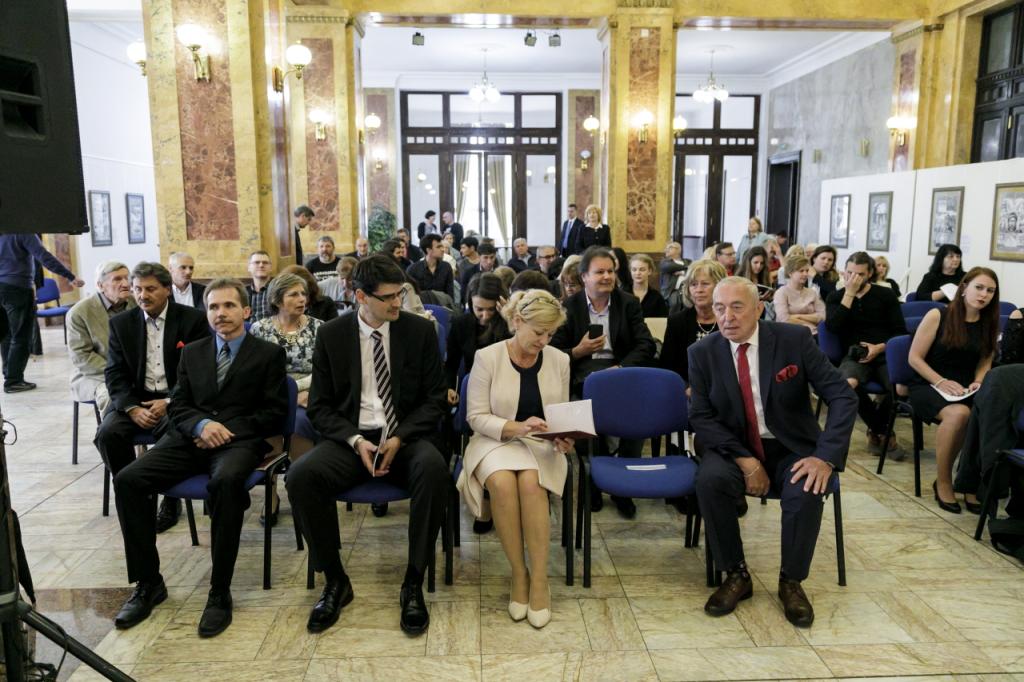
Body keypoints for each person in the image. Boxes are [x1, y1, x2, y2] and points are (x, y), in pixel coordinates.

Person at [112, 279, 288, 637]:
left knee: (225, 483)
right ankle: (149, 583)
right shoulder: (192, 352)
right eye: (213, 307)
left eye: (228, 306)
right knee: (128, 480)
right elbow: (178, 404)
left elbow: (273, 413)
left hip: (238, 442)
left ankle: (219, 592)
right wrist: (201, 425)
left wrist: (222, 429)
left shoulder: (268, 354)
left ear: (246, 311)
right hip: (189, 438)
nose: (220, 313)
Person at [286, 255, 448, 636]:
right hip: (351, 439)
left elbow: (435, 399)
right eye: (388, 297)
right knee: (301, 476)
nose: (397, 303)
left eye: (400, 294)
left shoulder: (419, 331)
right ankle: (335, 580)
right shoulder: (332, 335)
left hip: (405, 436)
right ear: (360, 296)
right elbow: (320, 406)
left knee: (434, 469)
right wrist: (355, 439)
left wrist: (400, 437)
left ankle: (413, 580)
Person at [690, 276, 857, 627]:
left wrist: (824, 457)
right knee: (709, 480)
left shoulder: (793, 340)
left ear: (759, 309)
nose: (727, 317)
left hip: (790, 444)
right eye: (719, 308)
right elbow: (702, 417)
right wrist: (746, 461)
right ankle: (736, 574)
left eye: (737, 307)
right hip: (734, 446)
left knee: (806, 487)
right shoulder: (702, 352)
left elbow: (843, 396)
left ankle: (791, 581)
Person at [457, 289, 572, 629]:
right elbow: (476, 417)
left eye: (550, 334)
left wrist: (564, 435)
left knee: (532, 485)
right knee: (503, 483)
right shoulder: (487, 357)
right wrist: (517, 427)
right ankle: (519, 574)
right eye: (539, 332)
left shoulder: (559, 360)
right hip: (495, 440)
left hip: (540, 444)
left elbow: (561, 413)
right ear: (517, 321)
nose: (544, 341)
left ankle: (539, 579)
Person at [96, 263, 209, 534]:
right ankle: (134, 495)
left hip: (177, 399)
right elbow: (114, 373)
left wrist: (170, 402)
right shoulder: (121, 323)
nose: (142, 295)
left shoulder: (193, 320)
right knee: (108, 434)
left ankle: (169, 497)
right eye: (137, 289)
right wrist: (131, 408)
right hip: (136, 400)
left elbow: (199, 372)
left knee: (176, 432)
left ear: (167, 289)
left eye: (150, 289)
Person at [552, 246, 656, 517]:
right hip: (583, 375)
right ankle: (594, 484)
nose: (607, 277)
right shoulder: (569, 307)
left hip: (620, 372)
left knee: (637, 416)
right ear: (584, 276)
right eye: (600, 272)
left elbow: (645, 344)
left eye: (610, 271)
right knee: (582, 412)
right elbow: (553, 352)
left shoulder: (628, 303)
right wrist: (579, 350)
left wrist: (620, 368)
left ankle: (623, 486)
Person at [908, 267, 999, 513]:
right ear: (964, 287)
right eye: (979, 287)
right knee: (960, 414)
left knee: (991, 412)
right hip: (929, 383)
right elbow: (914, 358)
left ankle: (970, 482)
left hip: (965, 388)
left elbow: (985, 361)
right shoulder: (938, 315)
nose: (984, 295)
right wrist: (940, 381)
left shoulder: (988, 322)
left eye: (990, 291)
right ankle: (944, 481)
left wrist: (979, 381)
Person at [447, 273, 511, 533]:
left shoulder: (509, 323)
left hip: (508, 394)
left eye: (490, 310)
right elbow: (451, 363)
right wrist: (448, 387)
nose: (484, 316)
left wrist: (509, 319)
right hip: (475, 394)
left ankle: (494, 498)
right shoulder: (462, 322)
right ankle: (483, 496)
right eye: (478, 309)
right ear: (469, 304)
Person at [825, 252, 906, 454]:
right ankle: (882, 429)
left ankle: (877, 430)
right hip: (855, 355)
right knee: (846, 385)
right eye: (849, 273)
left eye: (859, 274)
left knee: (900, 387)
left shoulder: (885, 295)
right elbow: (833, 327)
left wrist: (879, 347)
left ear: (870, 274)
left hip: (884, 352)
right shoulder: (836, 297)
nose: (853, 278)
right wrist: (849, 294)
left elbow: (900, 331)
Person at [0, 234, 83, 392]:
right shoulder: (23, 231)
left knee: (7, 335)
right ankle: (13, 381)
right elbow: (44, 256)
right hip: (18, 289)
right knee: (21, 336)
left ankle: (9, 374)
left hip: (2, 288)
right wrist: (69, 276)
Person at [68, 262, 134, 414]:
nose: (125, 284)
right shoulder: (79, 313)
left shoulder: (136, 303)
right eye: (117, 279)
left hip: (133, 371)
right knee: (112, 395)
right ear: (100, 285)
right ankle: (114, 429)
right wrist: (118, 374)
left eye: (127, 278)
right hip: (94, 374)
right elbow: (82, 357)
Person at [661, 259, 728, 383]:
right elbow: (667, 366)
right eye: (693, 284)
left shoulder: (729, 320)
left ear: (720, 286)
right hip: (685, 388)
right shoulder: (677, 322)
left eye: (705, 284)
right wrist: (685, 387)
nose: (699, 290)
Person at [774, 255, 824, 335]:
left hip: (813, 334)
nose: (805, 274)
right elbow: (784, 319)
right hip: (789, 334)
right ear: (790, 273)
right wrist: (809, 323)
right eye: (801, 271)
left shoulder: (812, 292)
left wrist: (798, 316)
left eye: (807, 271)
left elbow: (823, 315)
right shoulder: (781, 292)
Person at [406, 234, 454, 299]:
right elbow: (410, 296)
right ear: (428, 250)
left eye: (442, 246)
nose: (443, 249)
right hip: (421, 304)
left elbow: (450, 295)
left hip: (442, 304)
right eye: (438, 247)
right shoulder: (413, 269)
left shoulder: (446, 267)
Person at [628, 254, 668, 318]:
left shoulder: (657, 297)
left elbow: (663, 321)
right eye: (634, 270)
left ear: (649, 271)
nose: (637, 273)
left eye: (642, 270)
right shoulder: (622, 294)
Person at [246, 250, 273, 322]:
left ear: (271, 267)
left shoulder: (278, 290)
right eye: (257, 262)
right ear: (249, 267)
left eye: (265, 263)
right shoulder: (242, 292)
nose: (261, 265)